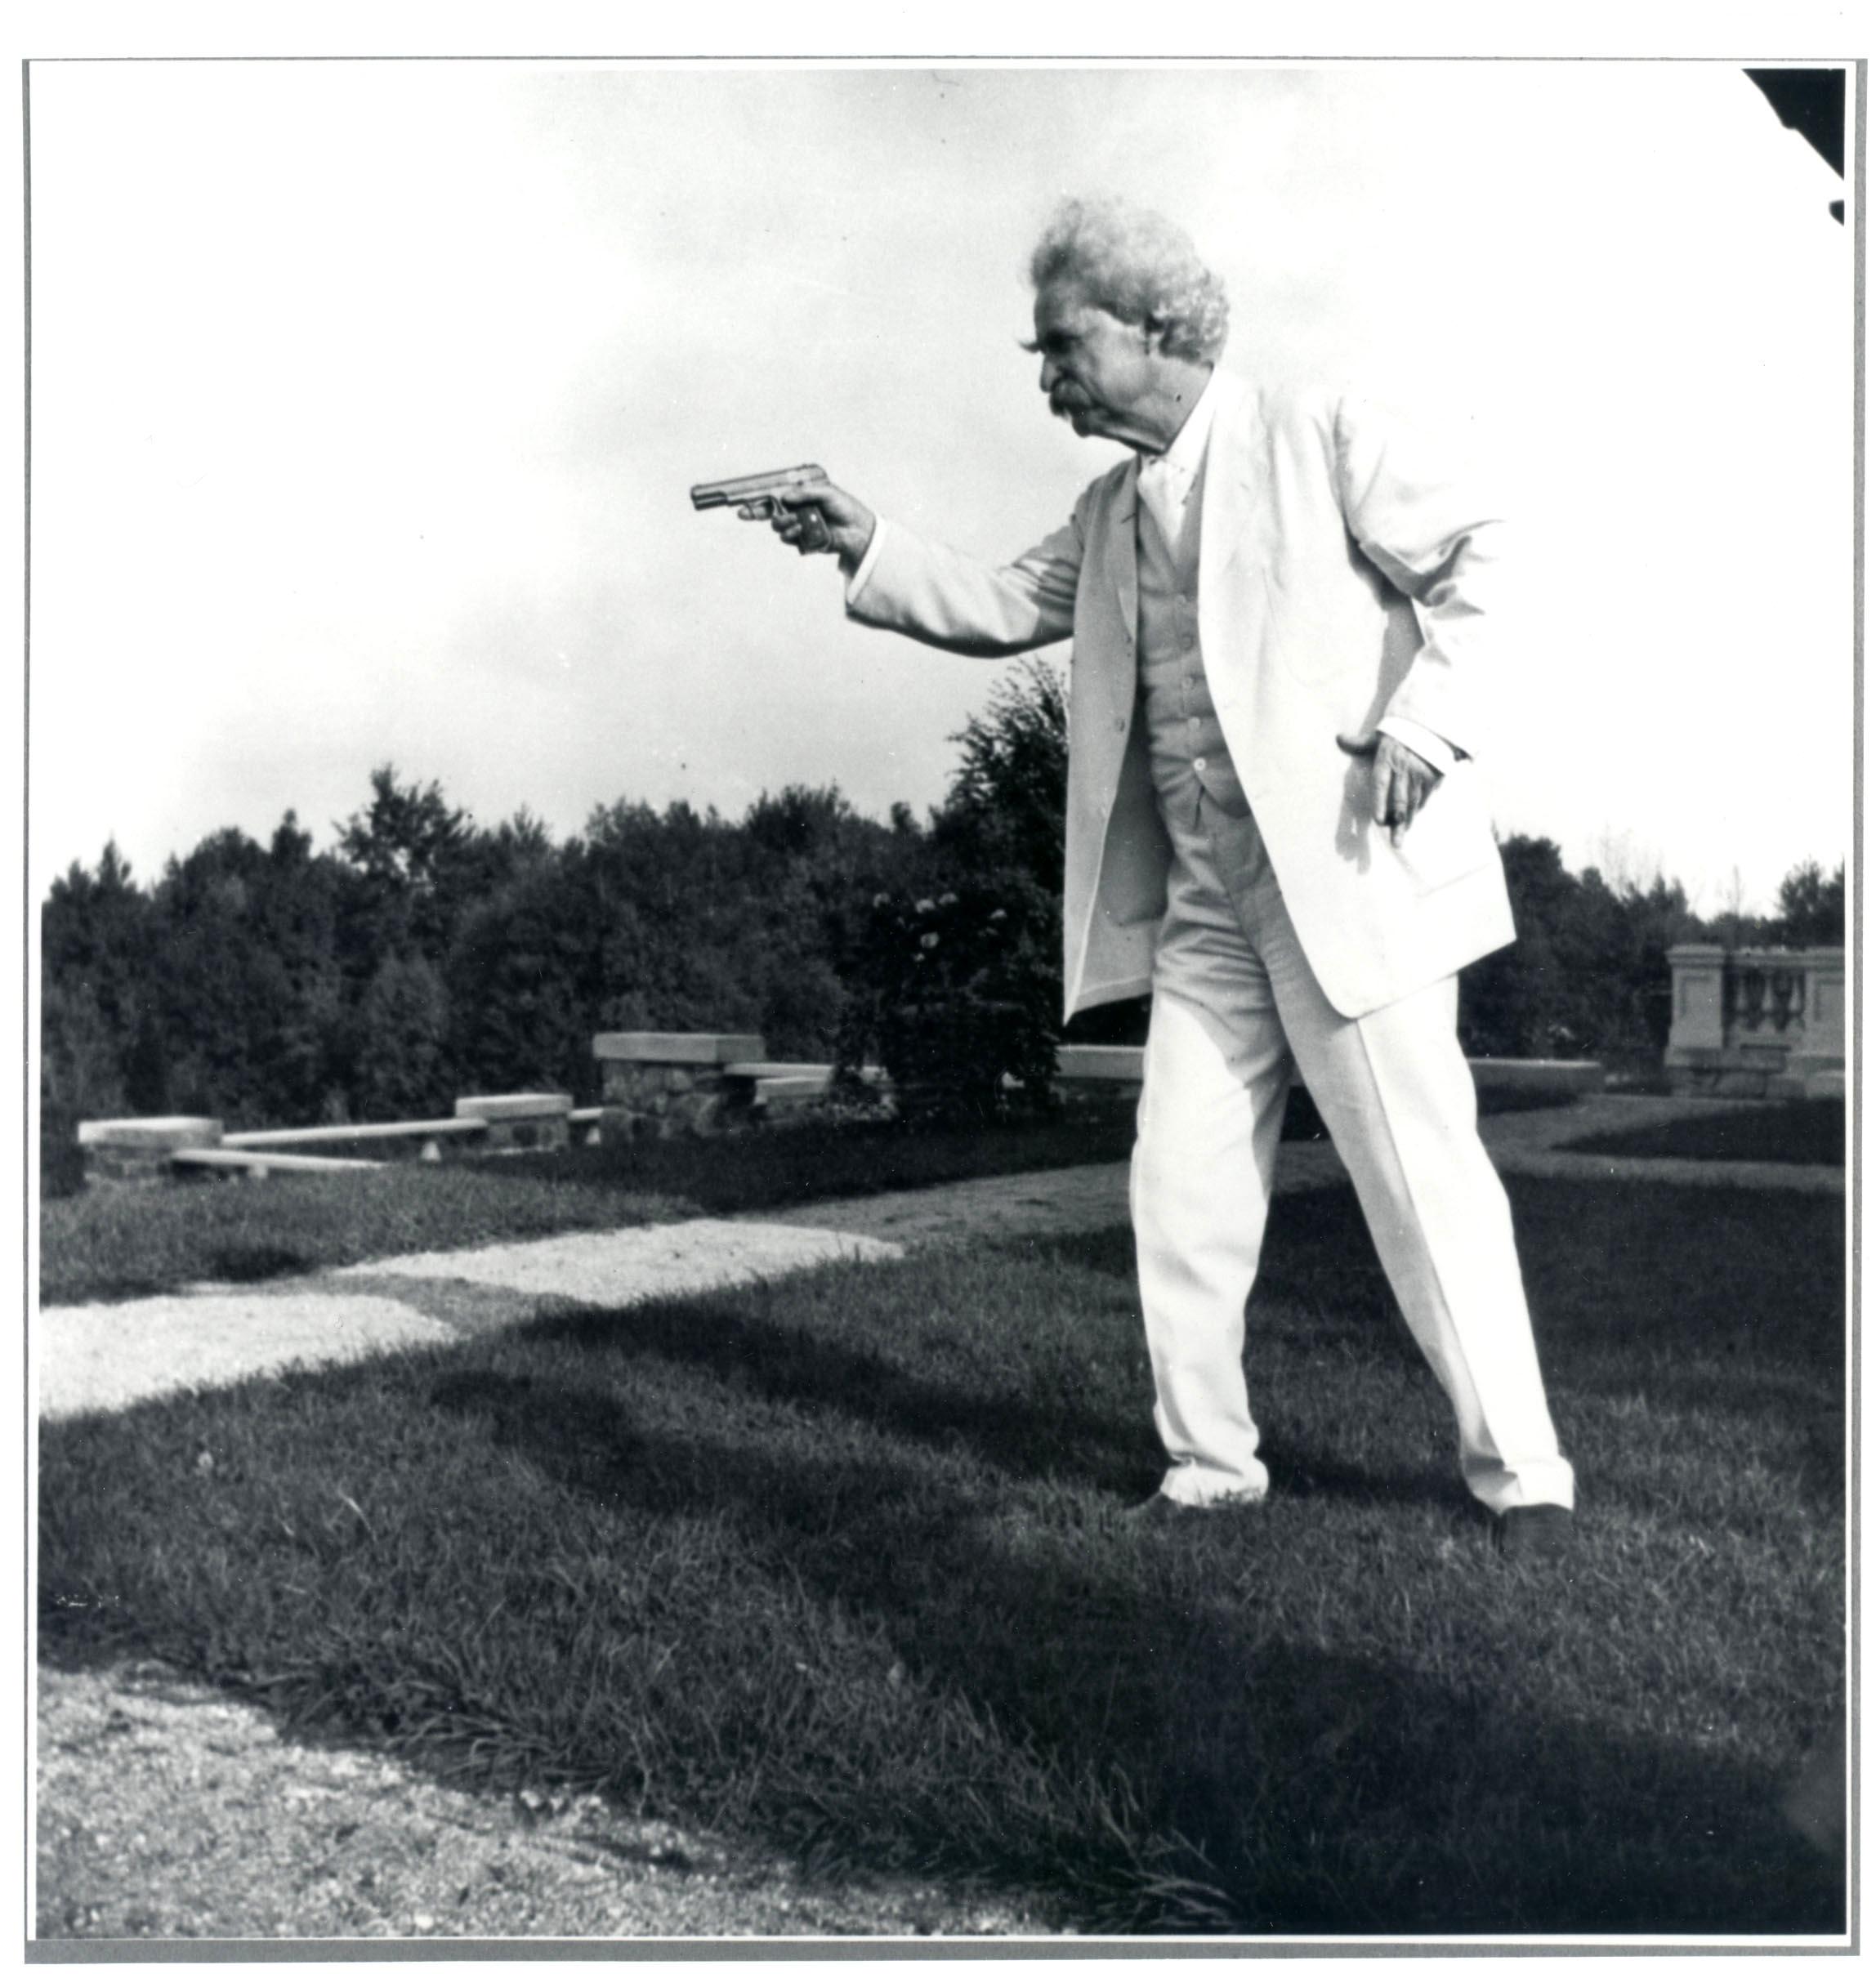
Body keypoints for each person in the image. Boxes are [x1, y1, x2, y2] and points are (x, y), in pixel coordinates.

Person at [756, 195, 1574, 1554]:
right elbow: (1010, 603)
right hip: (1209, 912)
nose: (1046, 377)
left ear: (1152, 328)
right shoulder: (1111, 507)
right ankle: (1208, 1471)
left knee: (1424, 1187)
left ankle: (1525, 1480)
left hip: (1344, 883)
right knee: (1179, 1186)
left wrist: (1425, 724)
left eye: (1061, 344)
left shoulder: (1317, 433)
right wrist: (863, 539)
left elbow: (1499, 554)